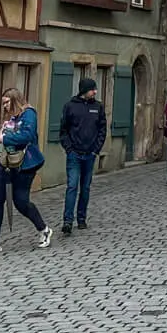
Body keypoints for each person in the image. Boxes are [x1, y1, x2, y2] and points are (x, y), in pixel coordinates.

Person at [0, 89, 51, 254]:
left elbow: (27, 136)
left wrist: (5, 138)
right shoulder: (9, 117)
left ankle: (44, 229)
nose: (4, 106)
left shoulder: (28, 114)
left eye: (6, 102)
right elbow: (2, 136)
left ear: (15, 100)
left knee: (21, 201)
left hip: (24, 163)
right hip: (3, 161)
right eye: (2, 103)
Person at [59, 77, 107, 234]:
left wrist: (96, 149)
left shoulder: (98, 107)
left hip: (90, 153)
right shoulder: (70, 106)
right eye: (92, 89)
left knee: (85, 188)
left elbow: (102, 129)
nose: (95, 91)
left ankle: (81, 218)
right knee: (72, 186)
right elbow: (63, 130)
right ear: (84, 90)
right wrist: (69, 148)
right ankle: (67, 220)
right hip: (74, 154)